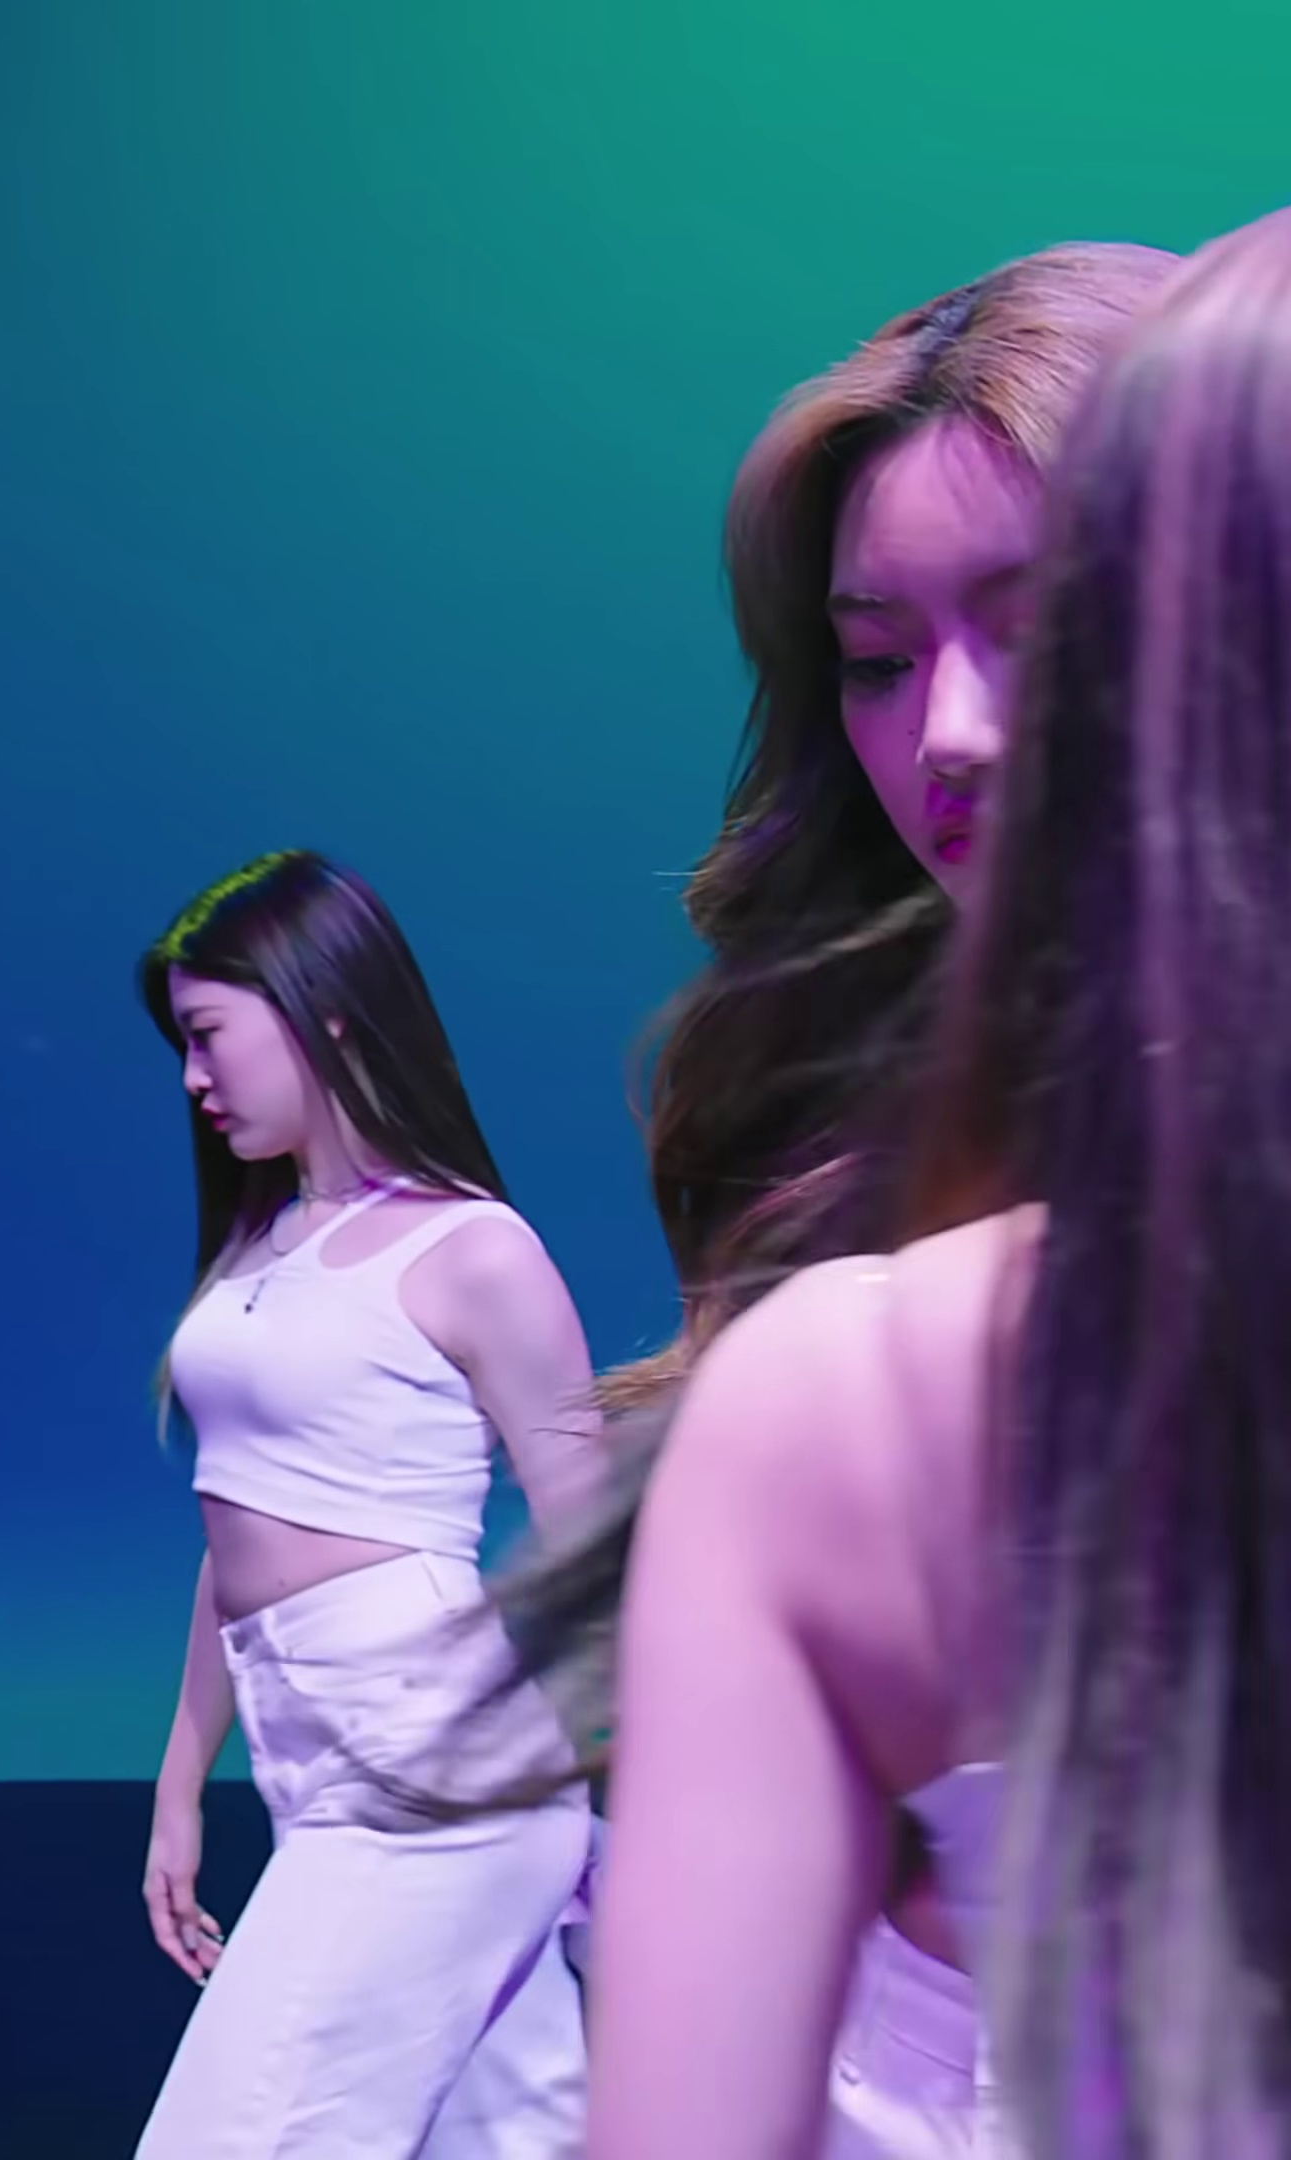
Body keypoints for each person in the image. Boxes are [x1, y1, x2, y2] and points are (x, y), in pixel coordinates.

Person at [592, 202, 1291, 2160]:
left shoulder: (854, 1378)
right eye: (879, 662)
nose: (954, 736)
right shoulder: (839, 1292)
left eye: (1042, 622)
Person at [130, 851, 610, 2156]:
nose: (193, 1078)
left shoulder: (473, 1250)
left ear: (325, 1011)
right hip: (311, 1755)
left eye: (209, 1035)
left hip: (435, 1759)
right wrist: (181, 1781)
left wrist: (634, 1790)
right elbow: (236, 1532)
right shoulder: (261, 1248)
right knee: (516, 2139)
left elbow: (591, 1543)